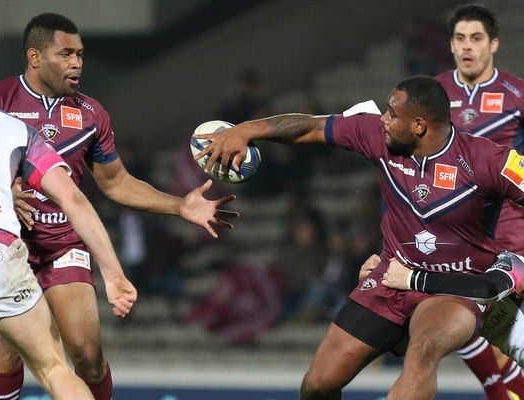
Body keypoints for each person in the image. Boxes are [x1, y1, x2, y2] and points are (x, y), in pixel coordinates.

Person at [194, 75, 524, 399]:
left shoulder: (488, 160)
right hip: (392, 279)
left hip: (452, 289)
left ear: (419, 126)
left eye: (393, 115)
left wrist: (514, 263)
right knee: (318, 385)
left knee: (423, 354)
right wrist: (247, 130)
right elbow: (310, 126)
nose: (383, 119)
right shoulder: (376, 136)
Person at [0, 13, 238, 400]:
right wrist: (0, 192)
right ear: (34, 57)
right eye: (66, 53)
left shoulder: (91, 114)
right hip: (9, 247)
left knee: (87, 355)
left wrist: (178, 206)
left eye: (81, 54)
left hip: (64, 243)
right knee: (7, 353)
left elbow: (116, 182)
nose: (76, 62)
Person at [0, 48, 138, 399]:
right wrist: (113, 274)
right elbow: (73, 199)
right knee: (53, 368)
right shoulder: (14, 128)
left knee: (7, 356)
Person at [436, 5, 524, 398]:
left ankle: (503, 390)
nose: (467, 47)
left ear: (493, 44)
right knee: (463, 309)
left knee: (493, 315)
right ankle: (503, 390)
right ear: (451, 44)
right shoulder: (433, 95)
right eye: (460, 38)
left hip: (510, 225)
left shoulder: (518, 94)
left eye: (476, 38)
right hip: (452, 225)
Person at [381, 252, 524, 367]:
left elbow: (487, 290)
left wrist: (412, 279)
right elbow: (401, 348)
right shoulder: (441, 288)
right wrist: (379, 277)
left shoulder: (507, 261)